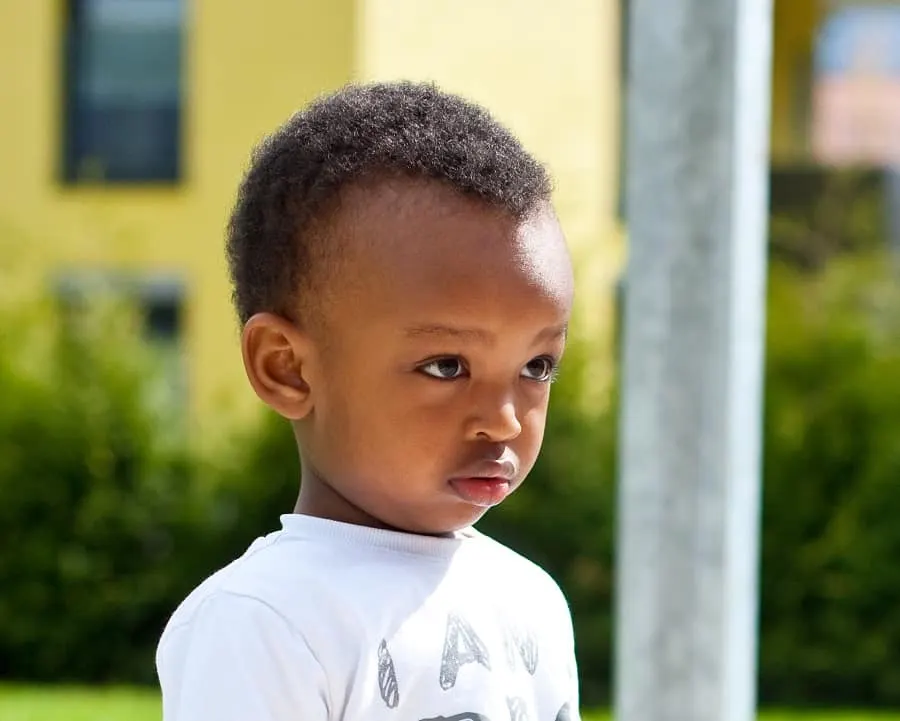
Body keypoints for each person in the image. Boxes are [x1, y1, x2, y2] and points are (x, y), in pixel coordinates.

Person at [155, 80, 580, 721]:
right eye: (447, 366)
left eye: (536, 366)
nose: (505, 418)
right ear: (288, 369)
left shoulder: (531, 598)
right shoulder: (266, 618)